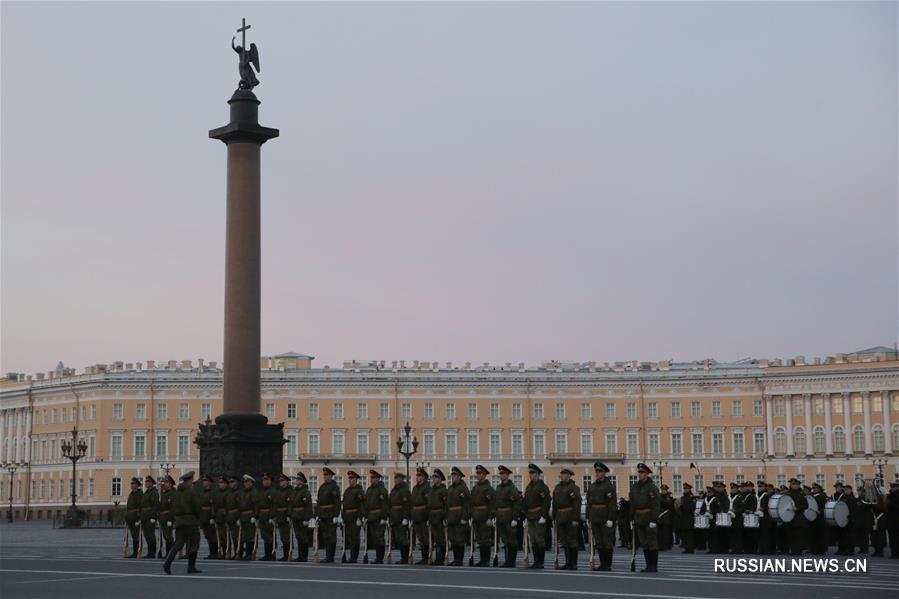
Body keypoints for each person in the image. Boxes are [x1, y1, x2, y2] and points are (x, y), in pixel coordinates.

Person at [163, 471, 203, 575]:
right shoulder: (191, 492)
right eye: (192, 480)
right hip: (190, 521)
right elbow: (196, 506)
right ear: (190, 480)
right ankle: (191, 566)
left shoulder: (177, 493)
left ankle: (167, 562)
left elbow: (172, 508)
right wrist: (199, 517)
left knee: (178, 543)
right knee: (195, 542)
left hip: (179, 521)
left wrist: (174, 519)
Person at [629, 463, 661, 573]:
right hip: (638, 517)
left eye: (642, 472)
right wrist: (631, 517)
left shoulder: (651, 487)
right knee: (644, 542)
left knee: (652, 542)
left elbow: (656, 504)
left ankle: (653, 565)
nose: (640, 474)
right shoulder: (635, 487)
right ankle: (648, 565)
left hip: (648, 517)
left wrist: (653, 519)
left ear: (647, 474)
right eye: (639, 472)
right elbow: (632, 503)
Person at [586, 461, 617, 570]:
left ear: (604, 473)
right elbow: (589, 503)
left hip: (605, 517)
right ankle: (602, 563)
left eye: (600, 471)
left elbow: (612, 504)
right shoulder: (592, 486)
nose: (597, 473)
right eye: (596, 471)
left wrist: (610, 518)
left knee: (607, 541)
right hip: (595, 517)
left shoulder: (609, 486)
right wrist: (588, 517)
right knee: (598, 542)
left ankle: (607, 564)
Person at [552, 467, 582, 570]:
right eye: (562, 474)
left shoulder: (573, 487)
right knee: (564, 541)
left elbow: (577, 503)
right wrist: (554, 516)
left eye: (565, 474)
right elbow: (555, 503)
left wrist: (575, 518)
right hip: (560, 517)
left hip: (570, 516)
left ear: (569, 476)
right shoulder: (557, 487)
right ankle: (567, 562)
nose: (563, 476)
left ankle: (573, 563)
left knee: (572, 540)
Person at [522, 463, 551, 569]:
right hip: (530, 516)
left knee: (539, 539)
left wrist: (544, 516)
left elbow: (546, 502)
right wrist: (525, 516)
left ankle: (540, 562)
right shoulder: (529, 487)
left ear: (538, 474)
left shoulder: (542, 487)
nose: (531, 475)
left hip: (539, 516)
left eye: (533, 473)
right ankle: (536, 561)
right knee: (533, 539)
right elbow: (525, 502)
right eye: (530, 473)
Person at [494, 465, 522, 568]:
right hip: (501, 517)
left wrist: (515, 518)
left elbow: (516, 504)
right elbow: (496, 503)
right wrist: (494, 515)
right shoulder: (498, 488)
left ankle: (511, 561)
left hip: (509, 517)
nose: (501, 475)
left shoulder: (512, 488)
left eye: (503, 473)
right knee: (505, 540)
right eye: (500, 473)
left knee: (512, 540)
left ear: (507, 475)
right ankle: (507, 560)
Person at [363, 470, 391, 563]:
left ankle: (380, 558)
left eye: (374, 477)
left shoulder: (382, 490)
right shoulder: (369, 489)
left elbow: (385, 504)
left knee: (379, 538)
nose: (372, 479)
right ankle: (377, 557)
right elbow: (366, 504)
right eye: (371, 477)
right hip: (371, 517)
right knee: (374, 538)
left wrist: (384, 517)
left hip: (379, 517)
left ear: (378, 478)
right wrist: (365, 515)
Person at [470, 465, 495, 567]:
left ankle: (486, 560)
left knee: (486, 540)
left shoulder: (488, 488)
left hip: (484, 517)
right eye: (477, 473)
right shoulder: (475, 488)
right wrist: (471, 515)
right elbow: (471, 503)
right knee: (480, 540)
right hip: (476, 517)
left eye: (480, 473)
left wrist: (490, 517)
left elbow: (492, 503)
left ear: (485, 475)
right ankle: (482, 559)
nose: (478, 475)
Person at [446, 467, 472, 566]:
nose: (453, 477)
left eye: (455, 475)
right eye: (452, 475)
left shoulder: (463, 488)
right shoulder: (450, 488)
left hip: (459, 516)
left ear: (460, 477)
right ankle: (455, 559)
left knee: (459, 539)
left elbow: (467, 503)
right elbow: (447, 505)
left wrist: (465, 517)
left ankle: (459, 560)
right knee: (453, 539)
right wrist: (446, 517)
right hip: (451, 517)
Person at [317, 467, 342, 563]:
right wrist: (318, 514)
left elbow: (337, 502)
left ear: (331, 476)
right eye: (324, 475)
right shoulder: (322, 487)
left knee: (331, 536)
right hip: (323, 515)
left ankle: (330, 556)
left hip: (331, 515)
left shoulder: (334, 487)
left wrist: (336, 515)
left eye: (327, 475)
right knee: (325, 536)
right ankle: (327, 555)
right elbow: (319, 502)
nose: (325, 477)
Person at [389, 472, 413, 564]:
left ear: (401, 479)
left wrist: (406, 517)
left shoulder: (404, 490)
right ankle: (403, 557)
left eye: (397, 478)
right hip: (394, 517)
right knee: (398, 538)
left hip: (401, 517)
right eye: (395, 478)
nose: (395, 479)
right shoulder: (394, 490)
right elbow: (390, 504)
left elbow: (407, 504)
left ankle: (405, 557)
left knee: (403, 538)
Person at [289, 472, 314, 562]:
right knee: (299, 537)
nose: (297, 481)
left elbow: (308, 506)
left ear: (303, 481)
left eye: (299, 480)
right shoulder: (294, 491)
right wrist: (291, 515)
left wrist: (307, 518)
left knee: (304, 538)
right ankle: (300, 556)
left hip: (302, 517)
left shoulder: (305, 492)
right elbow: (291, 504)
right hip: (295, 517)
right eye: (297, 479)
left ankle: (304, 556)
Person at [342, 470, 365, 563]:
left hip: (355, 517)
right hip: (347, 517)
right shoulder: (347, 491)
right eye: (349, 478)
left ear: (356, 479)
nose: (350, 480)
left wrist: (360, 517)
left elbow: (362, 505)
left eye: (352, 478)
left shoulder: (359, 491)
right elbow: (345, 505)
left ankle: (354, 557)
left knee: (355, 538)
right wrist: (343, 517)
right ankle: (350, 556)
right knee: (349, 538)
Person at [411, 467, 432, 564]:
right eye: (417, 475)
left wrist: (428, 517)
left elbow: (429, 503)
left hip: (423, 515)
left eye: (419, 475)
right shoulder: (415, 488)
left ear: (424, 477)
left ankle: (427, 557)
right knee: (420, 538)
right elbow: (412, 503)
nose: (417, 477)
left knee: (426, 538)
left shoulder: (427, 488)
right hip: (416, 516)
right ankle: (424, 558)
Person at [427, 468, 448, 565]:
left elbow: (446, 505)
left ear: (440, 479)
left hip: (440, 515)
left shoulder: (443, 490)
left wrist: (445, 517)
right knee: (435, 538)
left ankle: (441, 557)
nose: (434, 479)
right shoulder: (431, 490)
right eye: (433, 477)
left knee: (441, 538)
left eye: (436, 477)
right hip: (432, 516)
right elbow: (429, 504)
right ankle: (437, 557)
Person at [237, 474, 259, 560]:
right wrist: (239, 517)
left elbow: (256, 505)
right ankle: (246, 553)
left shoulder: (253, 492)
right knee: (244, 536)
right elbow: (239, 505)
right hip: (243, 516)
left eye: (247, 482)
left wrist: (255, 516)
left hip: (250, 516)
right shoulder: (243, 492)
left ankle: (249, 553)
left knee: (250, 536)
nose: (245, 483)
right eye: (245, 482)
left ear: (251, 483)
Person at [198, 474, 218, 559]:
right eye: (203, 481)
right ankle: (211, 553)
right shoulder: (203, 492)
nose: (204, 482)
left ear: (210, 482)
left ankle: (214, 553)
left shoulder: (212, 492)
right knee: (207, 536)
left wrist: (213, 517)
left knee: (212, 536)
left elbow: (214, 505)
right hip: (203, 517)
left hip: (209, 517)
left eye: (205, 481)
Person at [273, 474, 292, 561]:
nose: (281, 482)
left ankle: (288, 554)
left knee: (287, 536)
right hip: (280, 516)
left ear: (287, 481)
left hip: (286, 515)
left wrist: (289, 515)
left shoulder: (290, 490)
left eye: (282, 480)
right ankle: (285, 555)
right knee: (282, 536)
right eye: (280, 481)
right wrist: (275, 515)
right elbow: (276, 504)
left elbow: (290, 504)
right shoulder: (279, 491)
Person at [140, 475, 159, 559]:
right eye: (146, 482)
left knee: (151, 535)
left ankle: (152, 552)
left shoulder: (154, 493)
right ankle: (149, 552)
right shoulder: (146, 493)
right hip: (144, 517)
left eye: (148, 482)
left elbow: (155, 506)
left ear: (152, 483)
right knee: (147, 535)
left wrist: (153, 517)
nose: (146, 483)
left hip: (150, 517)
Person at [124, 477, 143, 558]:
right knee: (133, 536)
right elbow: (128, 507)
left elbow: (140, 506)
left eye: (133, 484)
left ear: (137, 485)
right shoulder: (131, 494)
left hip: (135, 517)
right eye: (131, 484)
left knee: (136, 536)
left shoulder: (139, 494)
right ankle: (134, 552)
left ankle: (136, 552)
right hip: (130, 517)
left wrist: (139, 519)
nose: (131, 485)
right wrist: (126, 517)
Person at [159, 475, 177, 558]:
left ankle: (171, 553)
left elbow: (173, 508)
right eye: (164, 482)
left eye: (166, 482)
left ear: (170, 484)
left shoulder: (172, 494)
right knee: (166, 536)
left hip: (168, 518)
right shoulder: (165, 493)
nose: (164, 484)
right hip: (163, 518)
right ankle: (168, 553)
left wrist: (171, 519)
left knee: (169, 537)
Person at [674, 483, 695, 554]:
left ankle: (690, 549)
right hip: (683, 518)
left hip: (689, 518)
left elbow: (692, 508)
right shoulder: (682, 498)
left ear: (689, 489)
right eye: (684, 489)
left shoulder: (692, 498)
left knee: (689, 535)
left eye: (686, 489)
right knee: (684, 535)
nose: (685, 490)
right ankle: (686, 548)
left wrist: (683, 507)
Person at [225, 477, 242, 559]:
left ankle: (239, 552)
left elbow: (240, 506)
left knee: (238, 537)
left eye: (232, 482)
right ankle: (236, 552)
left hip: (236, 516)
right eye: (230, 482)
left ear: (237, 483)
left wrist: (239, 517)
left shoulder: (239, 493)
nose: (230, 484)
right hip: (230, 516)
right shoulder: (229, 493)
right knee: (233, 536)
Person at [213, 476, 230, 559]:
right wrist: (214, 515)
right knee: (220, 536)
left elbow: (228, 505)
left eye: (222, 483)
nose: (221, 484)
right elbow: (215, 505)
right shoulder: (217, 493)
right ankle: (222, 552)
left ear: (226, 484)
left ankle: (227, 552)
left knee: (226, 536)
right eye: (220, 483)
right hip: (218, 516)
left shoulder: (228, 493)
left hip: (225, 516)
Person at [808, 483, 828, 555]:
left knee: (820, 535)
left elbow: (826, 506)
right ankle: (813, 549)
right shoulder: (811, 496)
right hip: (813, 518)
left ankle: (821, 550)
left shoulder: (823, 496)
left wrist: (820, 511)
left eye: (815, 488)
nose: (813, 489)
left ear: (819, 488)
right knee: (813, 535)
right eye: (813, 488)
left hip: (820, 517)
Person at [658, 484, 675, 552]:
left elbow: (670, 506)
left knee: (666, 533)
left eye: (664, 490)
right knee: (660, 533)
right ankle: (660, 545)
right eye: (662, 490)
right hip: (660, 517)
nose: (663, 491)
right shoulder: (659, 497)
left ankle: (667, 545)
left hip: (666, 517)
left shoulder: (669, 497)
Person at [886, 481, 899, 558]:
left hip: (897, 519)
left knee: (897, 537)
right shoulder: (890, 495)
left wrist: (889, 503)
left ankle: (897, 553)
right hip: (890, 519)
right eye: (891, 487)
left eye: (894, 487)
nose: (892, 488)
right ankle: (894, 552)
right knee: (892, 537)